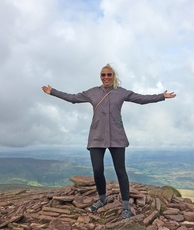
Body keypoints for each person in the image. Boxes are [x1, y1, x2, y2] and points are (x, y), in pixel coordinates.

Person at [42, 64, 176, 219]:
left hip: (117, 137)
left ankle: (125, 206)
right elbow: (72, 98)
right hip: (96, 136)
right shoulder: (92, 92)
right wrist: (52, 92)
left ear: (114, 76)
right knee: (97, 170)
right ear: (100, 77)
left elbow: (141, 99)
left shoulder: (121, 92)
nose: (106, 77)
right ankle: (102, 199)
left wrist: (161, 96)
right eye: (103, 75)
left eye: (109, 75)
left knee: (121, 171)